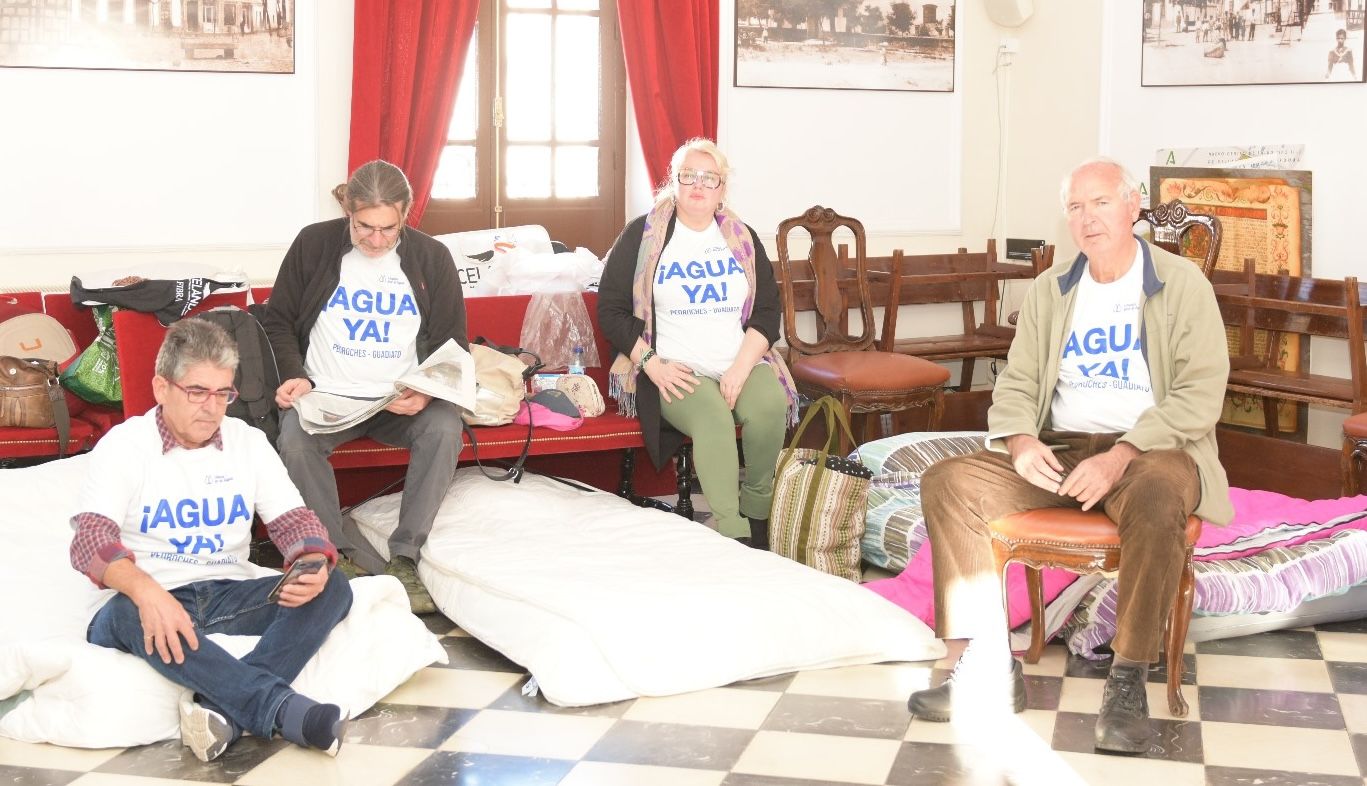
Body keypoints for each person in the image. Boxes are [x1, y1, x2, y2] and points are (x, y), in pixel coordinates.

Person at [905, 158, 1233, 755]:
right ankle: (986, 664)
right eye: (1076, 207)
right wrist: (1020, 439)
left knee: (1158, 495)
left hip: (1152, 450)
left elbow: (1200, 392)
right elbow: (1018, 382)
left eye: (1101, 202)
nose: (1088, 218)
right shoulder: (1053, 288)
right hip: (1062, 448)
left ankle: (1128, 678)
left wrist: (1123, 453)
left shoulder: (1183, 284)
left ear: (1133, 206)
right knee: (948, 481)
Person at [70, 318, 353, 763]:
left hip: (227, 595)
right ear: (162, 388)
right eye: (197, 392)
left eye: (223, 393)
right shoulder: (124, 446)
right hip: (146, 600)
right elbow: (90, 540)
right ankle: (282, 710)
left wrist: (312, 561)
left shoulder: (248, 443)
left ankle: (222, 712)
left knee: (333, 585)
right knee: (126, 612)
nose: (212, 407)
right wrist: (147, 592)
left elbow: (294, 521)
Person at [264, 159, 467, 614]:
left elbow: (453, 344)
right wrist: (294, 375)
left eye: (387, 229)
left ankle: (405, 557)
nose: (376, 240)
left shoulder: (432, 257)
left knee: (444, 428)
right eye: (364, 227)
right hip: (326, 395)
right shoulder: (313, 244)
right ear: (348, 212)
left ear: (405, 215)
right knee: (294, 440)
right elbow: (278, 321)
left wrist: (427, 390)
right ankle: (337, 556)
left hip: (400, 401)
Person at [598, 138, 798, 548]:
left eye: (709, 178)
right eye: (688, 176)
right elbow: (611, 310)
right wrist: (651, 363)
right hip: (673, 367)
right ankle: (734, 533)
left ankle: (757, 514)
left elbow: (766, 311)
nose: (698, 185)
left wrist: (740, 369)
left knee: (769, 406)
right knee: (713, 419)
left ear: (722, 188)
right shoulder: (643, 235)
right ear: (674, 181)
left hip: (738, 359)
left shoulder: (741, 237)